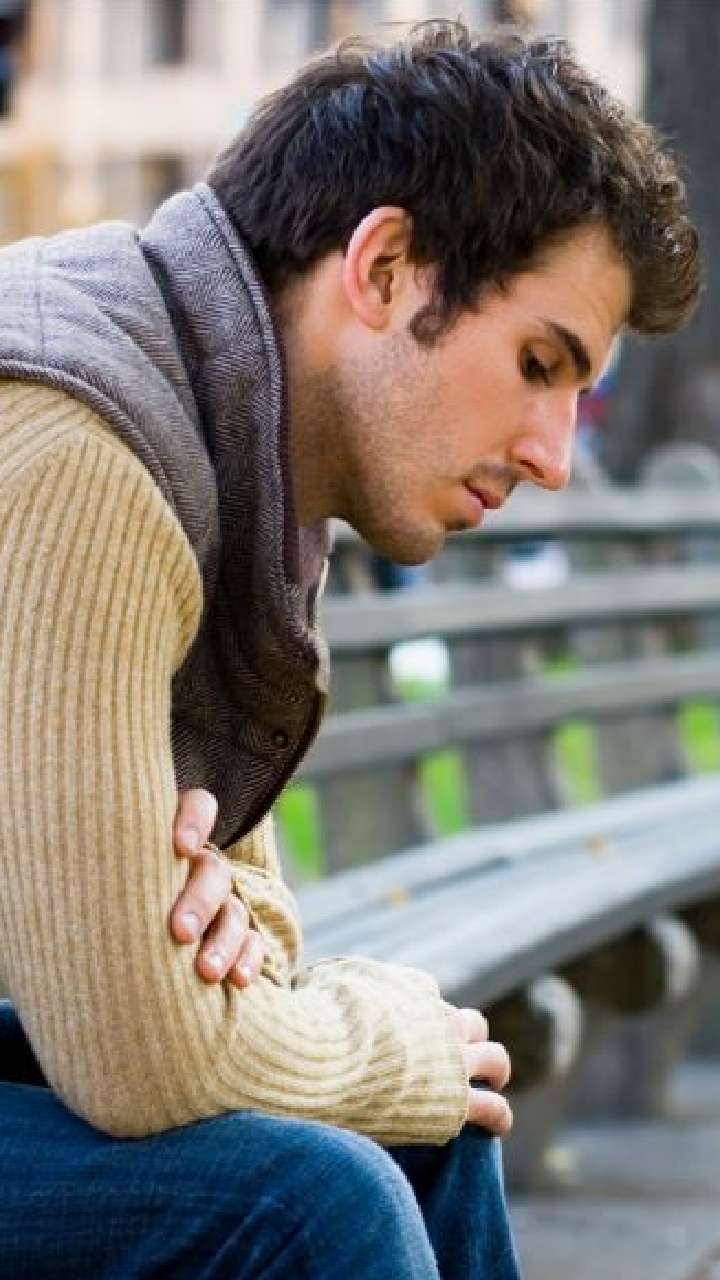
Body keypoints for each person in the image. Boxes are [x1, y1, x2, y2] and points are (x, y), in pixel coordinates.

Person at [0, 19, 699, 1280]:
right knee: (319, 1196)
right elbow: (136, 1053)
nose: (554, 453)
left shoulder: (238, 440)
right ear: (382, 268)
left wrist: (247, 956)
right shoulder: (84, 450)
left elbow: (243, 928)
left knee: (437, 1129)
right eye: (537, 363)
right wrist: (393, 1032)